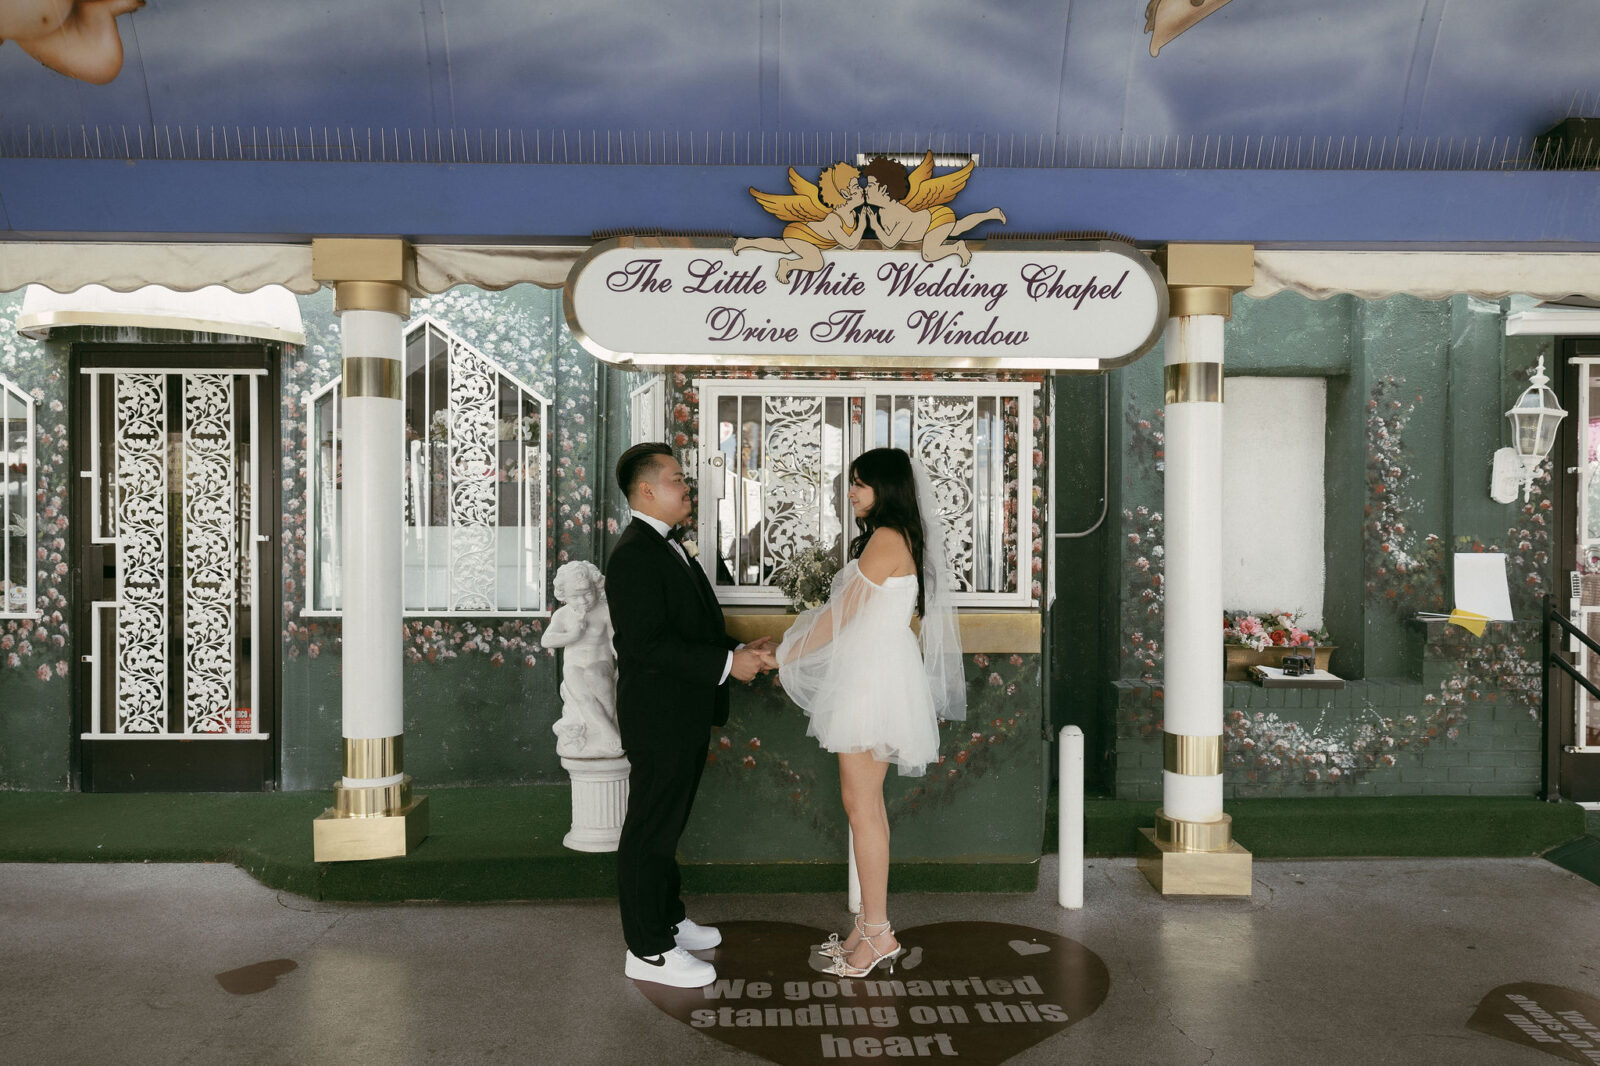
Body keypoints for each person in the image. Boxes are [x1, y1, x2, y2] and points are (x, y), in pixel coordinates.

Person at [773, 447, 966, 978]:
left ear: (887, 489)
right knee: (866, 808)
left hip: (872, 681)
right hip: (878, 675)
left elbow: (840, 616)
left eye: (860, 484)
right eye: (851, 483)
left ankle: (879, 931)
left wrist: (782, 654)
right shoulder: (898, 535)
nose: (852, 492)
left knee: (862, 809)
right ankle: (867, 927)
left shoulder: (886, 539)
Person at [606, 442, 774, 988]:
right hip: (658, 715)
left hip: (682, 710)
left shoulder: (667, 546)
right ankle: (648, 950)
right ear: (647, 490)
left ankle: (669, 919)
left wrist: (743, 651)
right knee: (650, 828)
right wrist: (729, 661)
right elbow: (649, 646)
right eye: (678, 480)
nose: (687, 488)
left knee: (667, 823)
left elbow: (691, 630)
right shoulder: (633, 554)